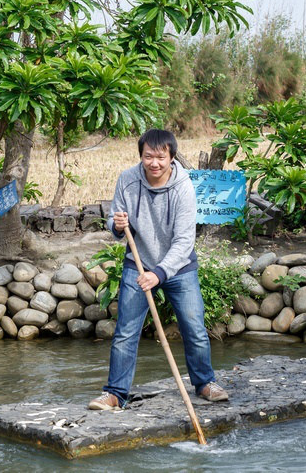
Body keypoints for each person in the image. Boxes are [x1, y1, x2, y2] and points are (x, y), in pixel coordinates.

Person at [88, 129, 228, 411]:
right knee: (126, 331)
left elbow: (184, 241)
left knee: (194, 327)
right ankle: (115, 394)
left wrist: (160, 274)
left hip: (179, 268)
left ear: (171, 157)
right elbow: (116, 224)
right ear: (141, 156)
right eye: (148, 156)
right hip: (138, 264)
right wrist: (116, 225)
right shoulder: (128, 180)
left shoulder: (183, 187)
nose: (154, 163)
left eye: (160, 157)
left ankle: (204, 383)